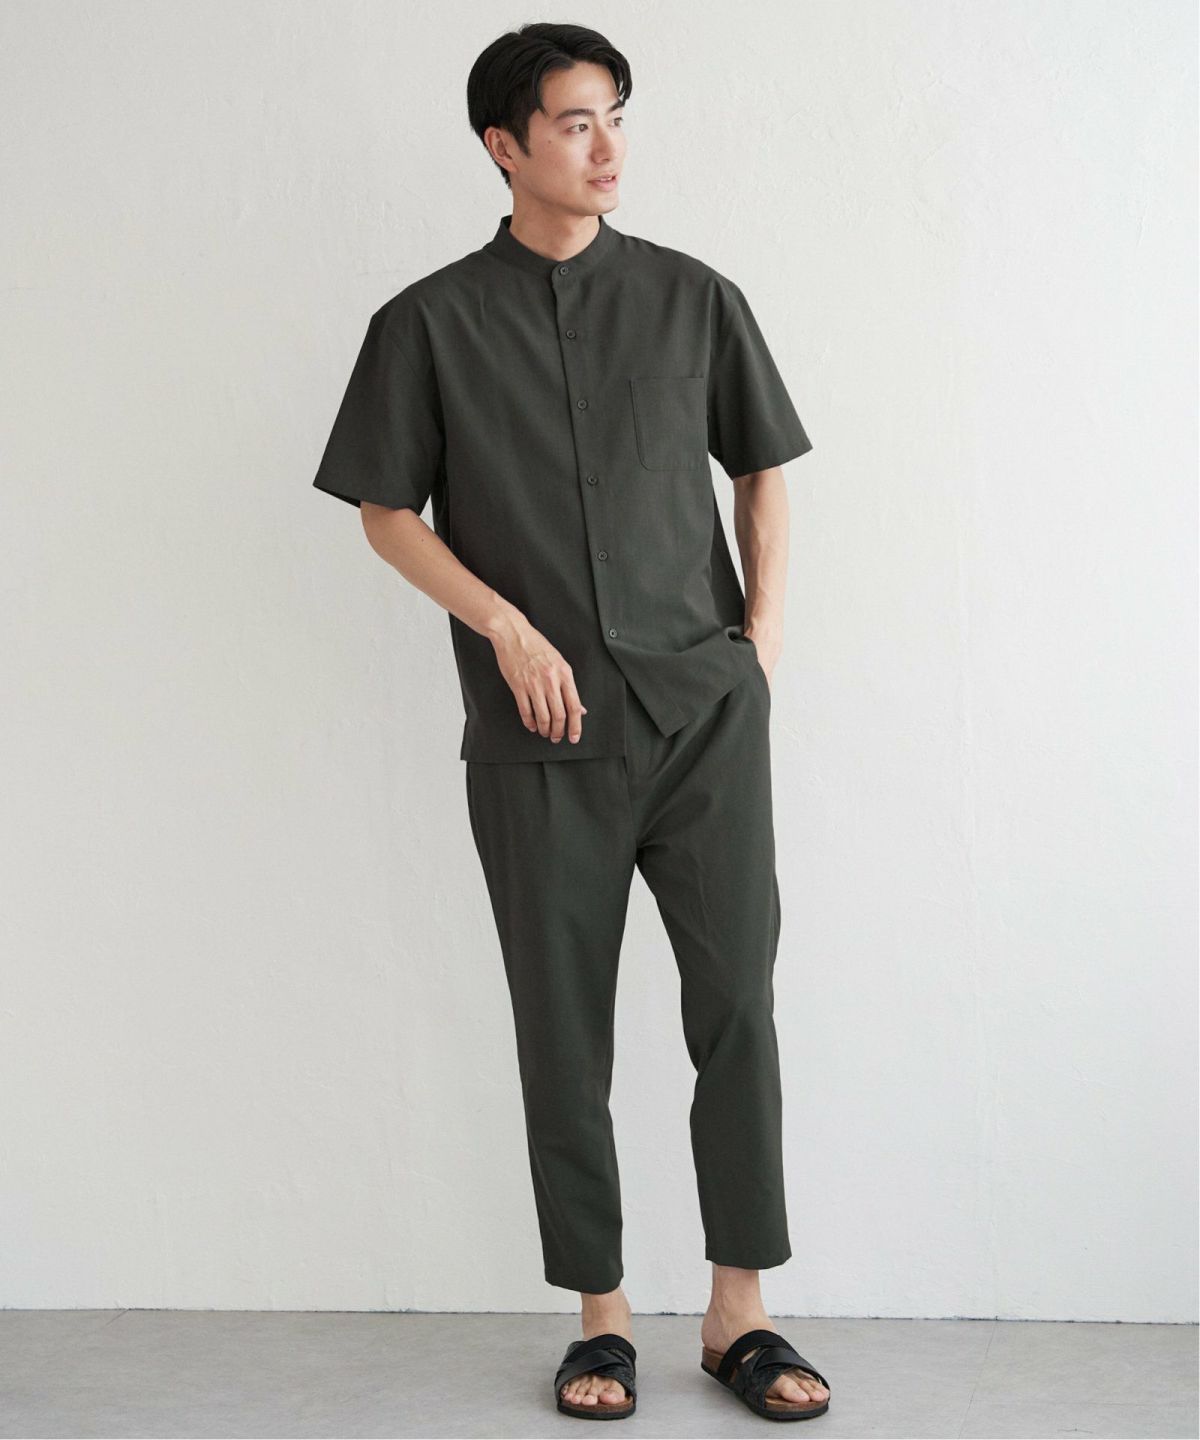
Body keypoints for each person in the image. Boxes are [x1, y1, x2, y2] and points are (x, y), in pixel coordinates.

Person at [311, 20, 831, 1424]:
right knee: (563, 1029)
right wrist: (504, 623)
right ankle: (601, 1320)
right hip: (538, 739)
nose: (607, 148)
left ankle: (738, 1313)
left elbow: (763, 469)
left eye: (615, 117)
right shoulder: (426, 324)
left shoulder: (695, 297)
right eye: (575, 122)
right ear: (505, 144)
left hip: (703, 717)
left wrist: (762, 640)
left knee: (738, 1009)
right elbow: (384, 512)